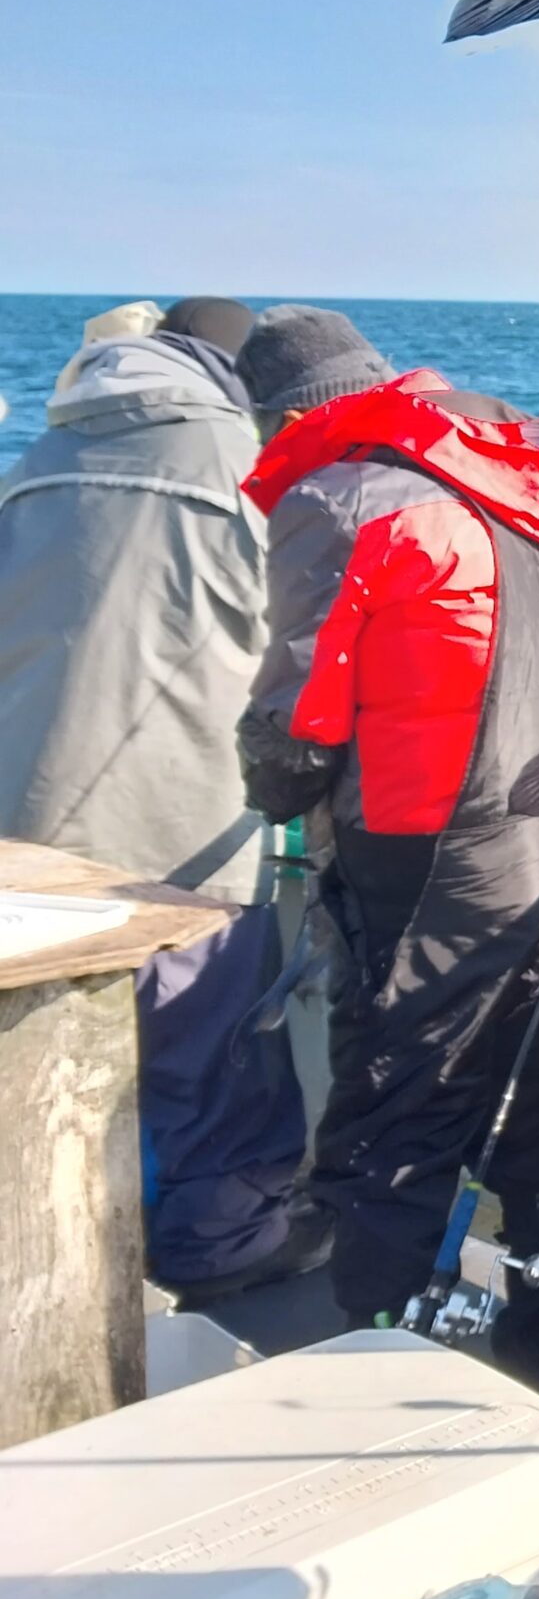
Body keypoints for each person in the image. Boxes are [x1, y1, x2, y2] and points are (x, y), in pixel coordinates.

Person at [234, 306, 539, 1394]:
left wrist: (277, 794)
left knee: (397, 1109)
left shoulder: (341, 497)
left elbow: (296, 719)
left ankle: (368, 1372)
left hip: (426, 849)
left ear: (291, 414)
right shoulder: (530, 483)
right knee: (535, 1097)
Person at [0, 295, 321, 1302]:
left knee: (43, 1065)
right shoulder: (247, 464)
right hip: (181, 811)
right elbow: (300, 643)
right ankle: (217, 1248)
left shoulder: (40, 457)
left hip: (23, 810)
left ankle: (50, 1258)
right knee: (209, 1043)